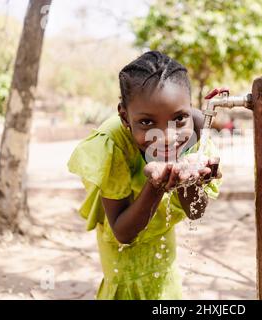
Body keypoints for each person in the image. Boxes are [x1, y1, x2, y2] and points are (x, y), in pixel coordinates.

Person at [67, 51, 222, 299]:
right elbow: (123, 233)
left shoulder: (195, 133)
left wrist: (191, 181)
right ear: (124, 116)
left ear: (189, 109)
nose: (167, 137)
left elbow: (195, 211)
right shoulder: (113, 144)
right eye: (148, 123)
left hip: (161, 232)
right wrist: (156, 185)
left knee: (165, 288)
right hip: (121, 245)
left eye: (179, 119)